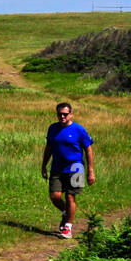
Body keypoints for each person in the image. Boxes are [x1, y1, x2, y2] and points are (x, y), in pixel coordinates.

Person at [41, 102, 95, 239]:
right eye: (60, 114)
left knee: (70, 196)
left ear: (71, 114)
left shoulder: (79, 130)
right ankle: (66, 212)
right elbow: (49, 148)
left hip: (75, 167)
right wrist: (43, 165)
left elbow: (88, 149)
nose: (62, 116)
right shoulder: (52, 128)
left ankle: (68, 227)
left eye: (65, 114)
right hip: (57, 168)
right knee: (55, 196)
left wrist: (91, 171)